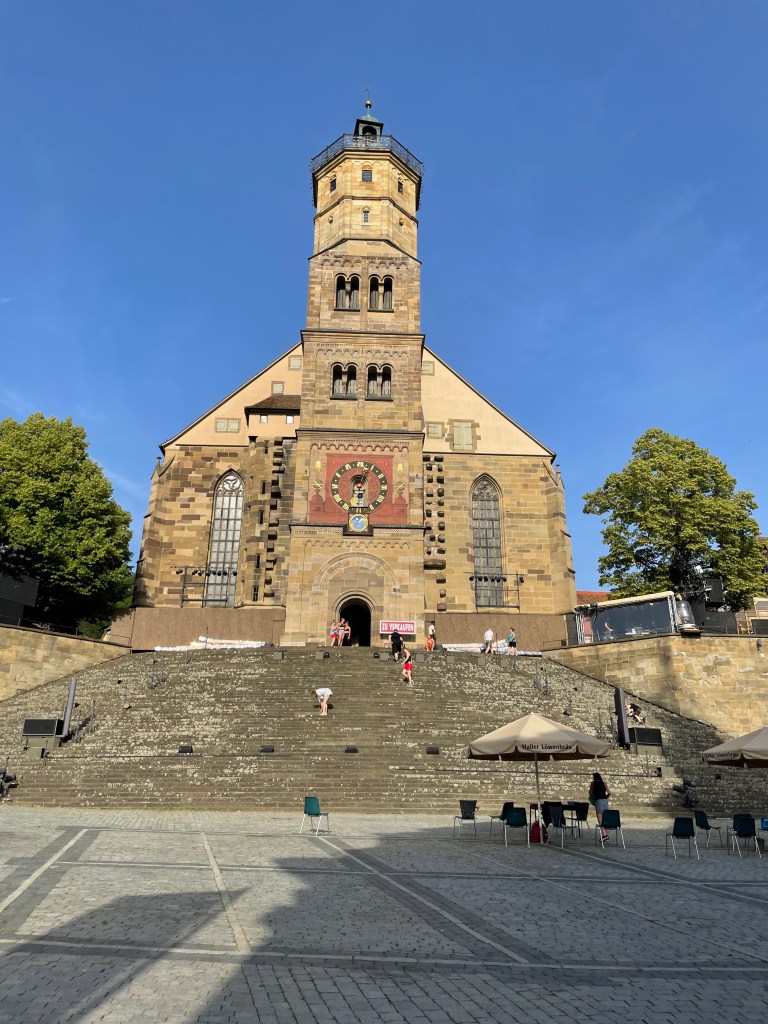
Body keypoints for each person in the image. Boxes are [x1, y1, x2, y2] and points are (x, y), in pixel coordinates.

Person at [589, 771, 611, 841]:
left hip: (598, 800)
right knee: (605, 817)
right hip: (605, 800)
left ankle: (604, 835)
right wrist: (605, 797)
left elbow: (590, 793)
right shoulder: (604, 783)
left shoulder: (593, 783)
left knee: (600, 818)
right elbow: (609, 793)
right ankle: (607, 834)